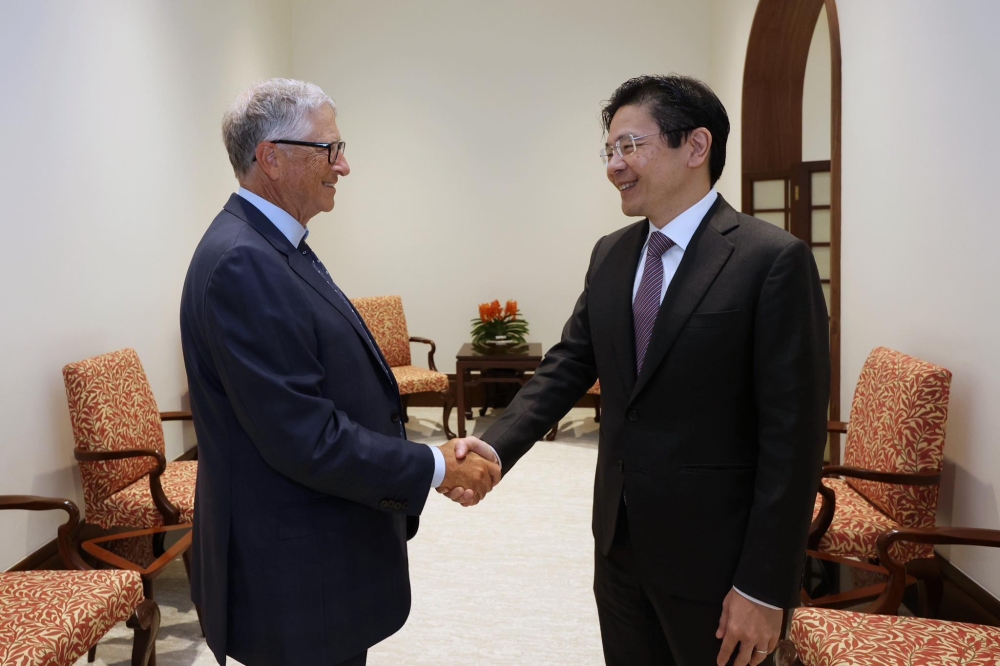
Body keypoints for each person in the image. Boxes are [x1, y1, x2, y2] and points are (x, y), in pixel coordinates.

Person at [447, 75, 830, 666]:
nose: (614, 166)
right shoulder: (612, 252)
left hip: (717, 557)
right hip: (619, 543)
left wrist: (764, 586)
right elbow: (570, 362)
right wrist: (495, 447)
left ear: (696, 146)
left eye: (630, 146)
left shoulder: (771, 260)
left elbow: (793, 439)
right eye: (609, 150)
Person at [179, 78, 500, 666]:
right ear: (271, 158)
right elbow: (304, 437)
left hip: (320, 555)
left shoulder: (273, 246)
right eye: (329, 149)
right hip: (294, 575)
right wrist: (434, 465)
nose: (343, 165)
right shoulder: (243, 263)